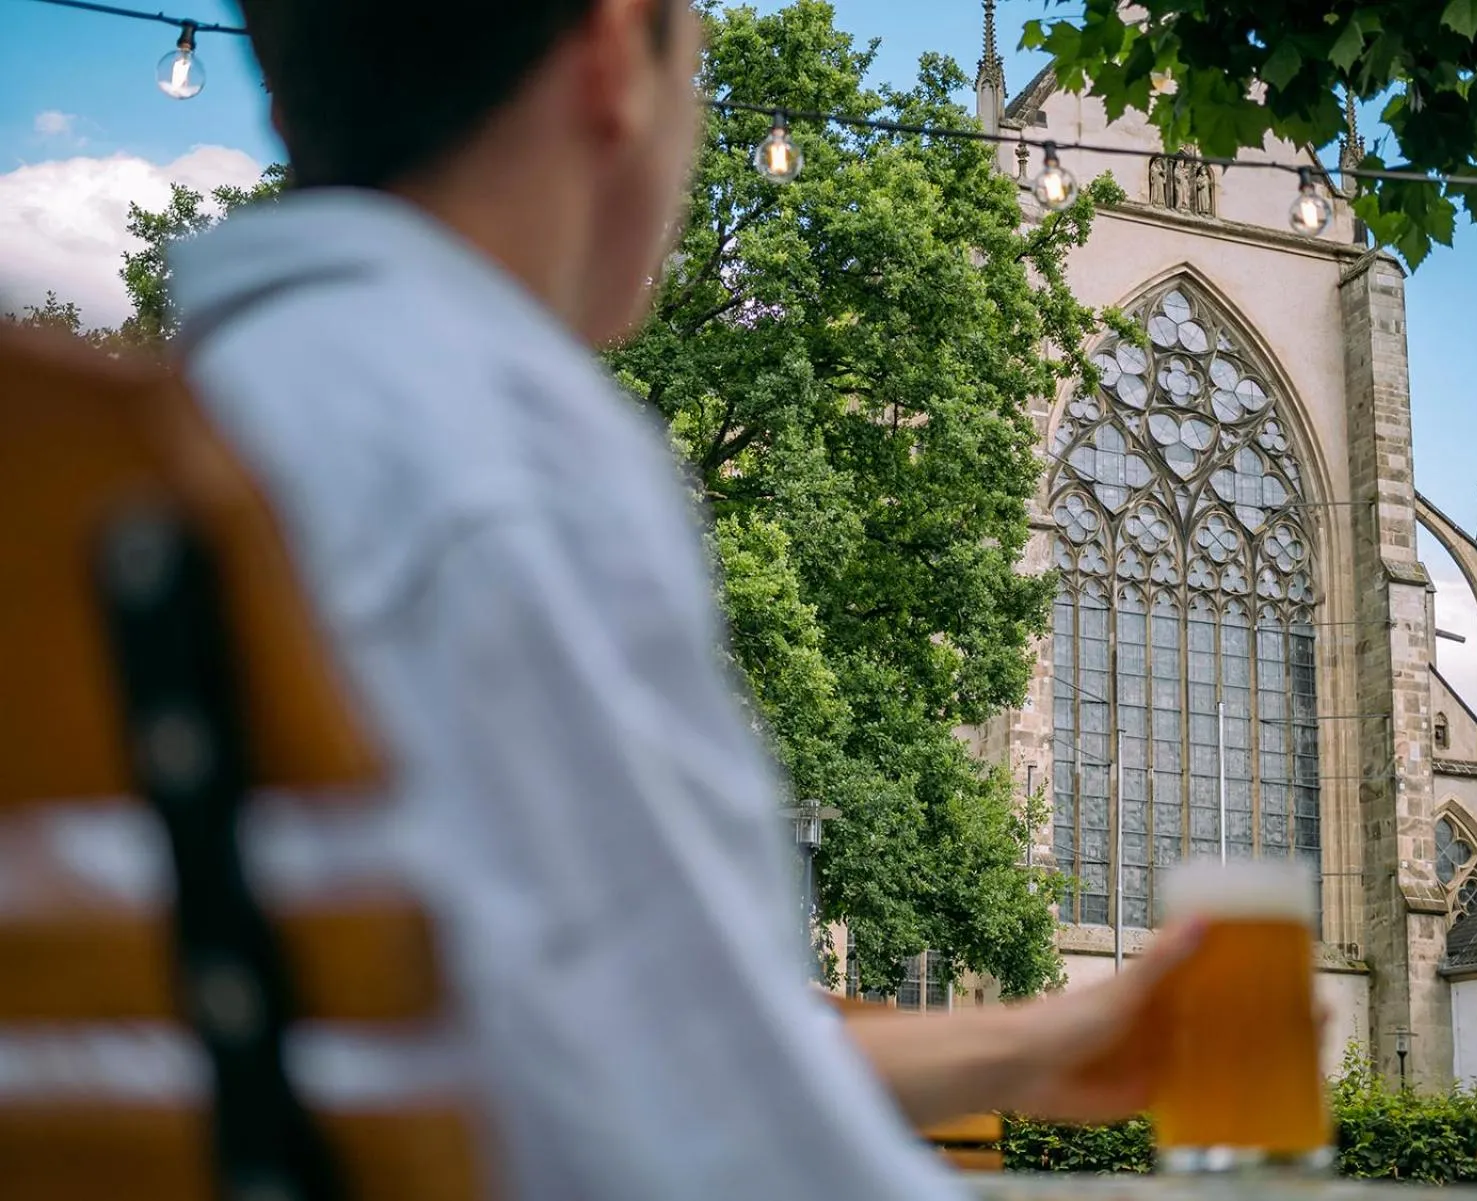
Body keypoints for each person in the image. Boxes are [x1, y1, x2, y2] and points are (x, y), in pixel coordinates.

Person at [171, 2, 1205, 1197]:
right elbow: (744, 1148)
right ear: (615, 58)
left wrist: (1011, 1045)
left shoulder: (160, 438)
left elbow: (606, 1021)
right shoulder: (515, 450)